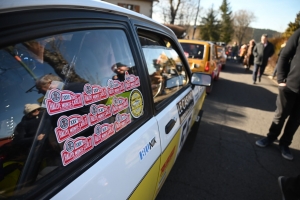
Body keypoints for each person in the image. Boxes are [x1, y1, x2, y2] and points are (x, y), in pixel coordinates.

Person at [255, 28, 300, 160]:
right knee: (281, 115)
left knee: (296, 120)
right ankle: (270, 137)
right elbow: (285, 55)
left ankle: (285, 144)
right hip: (290, 86)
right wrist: (280, 80)